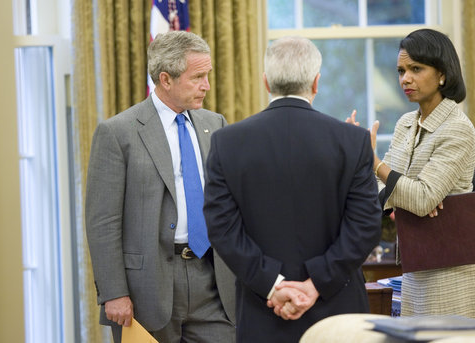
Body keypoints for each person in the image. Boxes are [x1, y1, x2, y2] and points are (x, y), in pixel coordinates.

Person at [203, 35, 382, 343]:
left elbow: (222, 230)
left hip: (263, 310)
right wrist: (314, 286)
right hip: (337, 311)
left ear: (265, 82)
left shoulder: (226, 143)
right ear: (316, 82)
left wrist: (275, 286)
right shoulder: (353, 142)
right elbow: (365, 227)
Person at [85, 31, 236, 343]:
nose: (206, 85)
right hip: (146, 291)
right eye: (198, 77)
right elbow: (103, 222)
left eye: (207, 76)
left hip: (212, 282)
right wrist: (114, 293)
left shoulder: (215, 124)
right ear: (166, 79)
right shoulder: (118, 133)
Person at [347, 28, 475, 324]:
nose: (405, 79)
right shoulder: (405, 124)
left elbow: (421, 197)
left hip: (453, 271)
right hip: (416, 266)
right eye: (401, 70)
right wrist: (363, 162)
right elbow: (385, 191)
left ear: (442, 73)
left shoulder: (457, 127)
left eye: (416, 69)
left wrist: (375, 163)